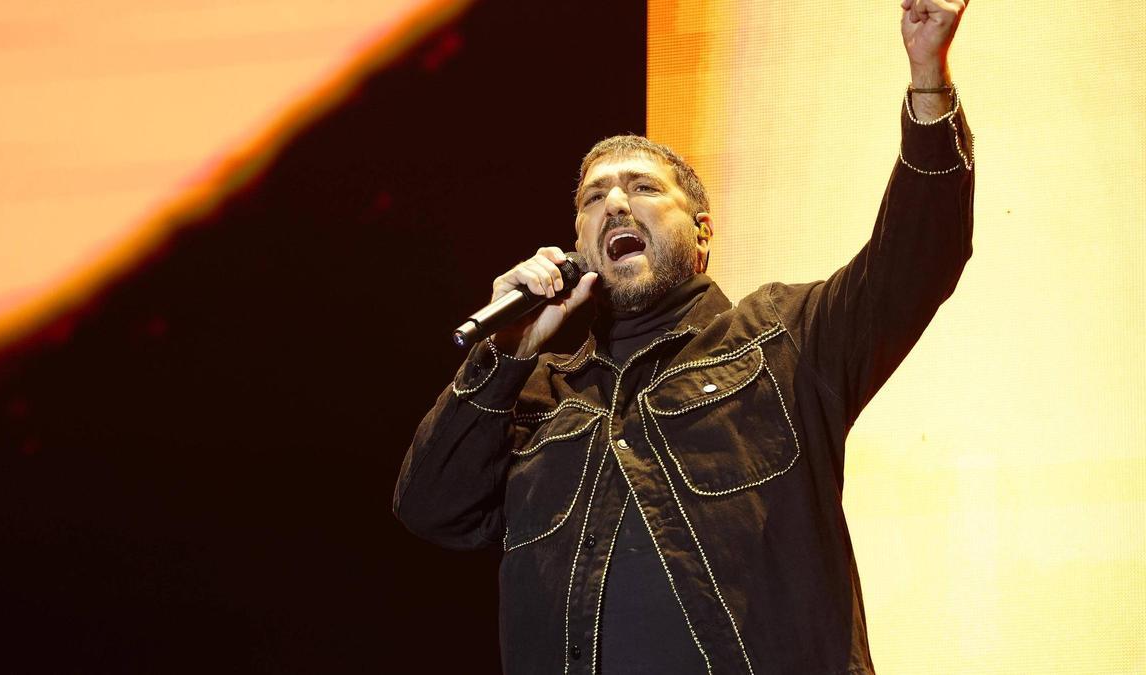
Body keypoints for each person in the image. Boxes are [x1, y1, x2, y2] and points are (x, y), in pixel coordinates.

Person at [394, 0, 973, 672]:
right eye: (593, 198)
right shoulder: (539, 396)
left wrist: (928, 76)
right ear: (578, 244)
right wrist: (508, 355)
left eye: (642, 187)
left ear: (701, 232)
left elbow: (917, 259)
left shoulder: (783, 341)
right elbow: (431, 508)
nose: (615, 203)